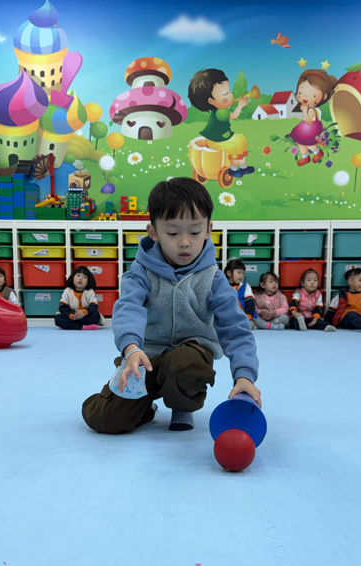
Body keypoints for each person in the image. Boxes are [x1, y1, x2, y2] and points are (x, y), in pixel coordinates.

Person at [81, 177, 260, 434]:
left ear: (208, 229)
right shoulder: (140, 272)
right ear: (153, 232)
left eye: (195, 232)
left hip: (188, 359)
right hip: (145, 358)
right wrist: (131, 349)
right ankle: (140, 407)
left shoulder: (213, 278)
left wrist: (244, 375)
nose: (185, 242)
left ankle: (182, 407)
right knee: (106, 420)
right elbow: (128, 308)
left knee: (185, 361)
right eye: (173, 233)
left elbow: (235, 329)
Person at [187, 68, 254, 178]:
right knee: (236, 144)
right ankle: (233, 169)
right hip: (215, 142)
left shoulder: (220, 111)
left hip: (220, 138)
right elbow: (233, 116)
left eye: (229, 92)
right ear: (211, 101)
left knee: (241, 138)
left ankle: (243, 167)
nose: (230, 96)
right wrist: (240, 106)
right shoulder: (221, 112)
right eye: (225, 94)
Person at [290, 69, 337, 166]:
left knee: (307, 142)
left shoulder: (311, 109)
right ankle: (305, 156)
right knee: (299, 142)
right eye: (300, 93)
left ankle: (317, 152)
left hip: (310, 128)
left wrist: (304, 111)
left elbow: (308, 121)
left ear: (324, 96)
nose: (304, 97)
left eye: (313, 95)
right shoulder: (307, 107)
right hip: (304, 128)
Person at [55, 266, 101, 330]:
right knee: (58, 318)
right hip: (72, 316)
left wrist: (83, 312)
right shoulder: (67, 291)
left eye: (84, 277)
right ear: (72, 278)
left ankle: (69, 326)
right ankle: (83, 327)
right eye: (78, 275)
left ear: (88, 281)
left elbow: (93, 306)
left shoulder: (90, 292)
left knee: (96, 315)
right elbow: (63, 307)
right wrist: (72, 316)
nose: (80, 279)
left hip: (85, 316)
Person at [224, 259, 257, 326]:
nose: (241, 275)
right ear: (229, 273)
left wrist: (248, 316)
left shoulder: (245, 286)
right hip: (227, 317)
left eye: (243, 273)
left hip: (243, 316)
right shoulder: (223, 286)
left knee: (249, 325)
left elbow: (250, 302)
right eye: (239, 272)